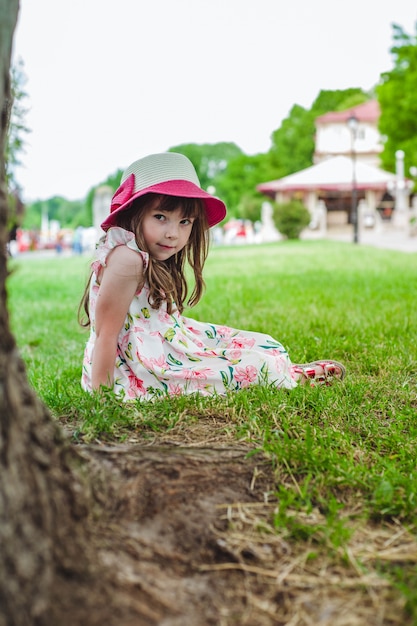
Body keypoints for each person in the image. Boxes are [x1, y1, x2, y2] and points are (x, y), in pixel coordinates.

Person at [79, 152, 345, 400]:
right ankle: (290, 376)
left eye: (185, 222)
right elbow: (105, 334)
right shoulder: (127, 259)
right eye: (161, 217)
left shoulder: (143, 253)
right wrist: (102, 398)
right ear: (135, 214)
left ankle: (281, 370)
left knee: (264, 344)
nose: (173, 233)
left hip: (166, 343)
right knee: (259, 366)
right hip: (143, 368)